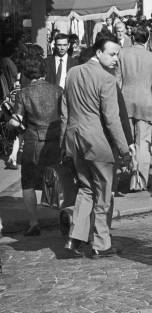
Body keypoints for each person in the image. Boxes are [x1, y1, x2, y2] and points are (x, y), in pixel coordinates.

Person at [63, 38, 134, 258]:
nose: (115, 59)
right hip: (97, 142)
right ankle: (101, 244)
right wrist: (124, 150)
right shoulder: (106, 79)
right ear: (98, 52)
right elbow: (112, 119)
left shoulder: (72, 73)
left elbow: (65, 111)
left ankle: (75, 237)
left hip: (76, 139)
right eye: (112, 54)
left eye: (117, 55)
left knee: (85, 190)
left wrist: (64, 144)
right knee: (103, 195)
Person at [8, 45, 63, 236]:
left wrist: (9, 123)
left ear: (25, 74)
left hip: (33, 143)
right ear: (43, 72)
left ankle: (33, 223)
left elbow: (16, 121)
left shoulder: (23, 94)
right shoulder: (58, 90)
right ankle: (65, 216)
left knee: (28, 183)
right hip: (55, 141)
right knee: (60, 179)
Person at [116, 26, 152, 191]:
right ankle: (140, 181)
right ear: (148, 39)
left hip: (125, 101)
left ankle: (129, 174)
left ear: (133, 38)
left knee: (128, 141)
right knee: (143, 143)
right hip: (145, 103)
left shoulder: (122, 53)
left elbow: (117, 80)